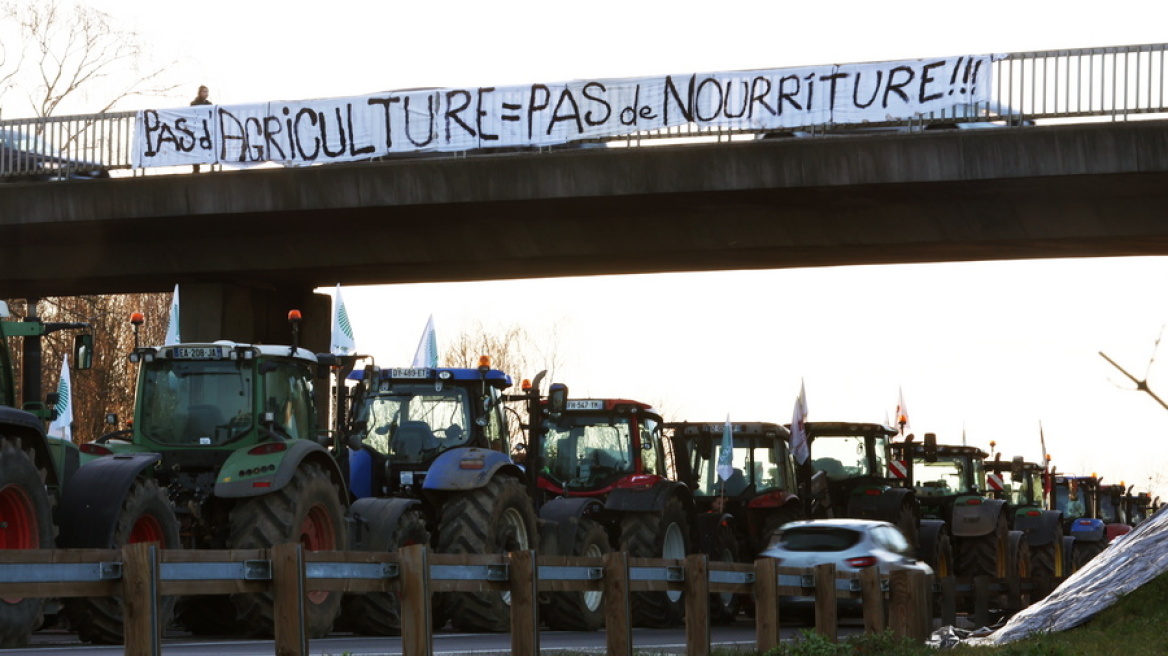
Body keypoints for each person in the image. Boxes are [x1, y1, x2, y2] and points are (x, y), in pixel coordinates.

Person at [190, 86, 211, 172]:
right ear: (200, 93)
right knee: (196, 147)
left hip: (206, 129)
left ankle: (211, 165)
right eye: (204, 92)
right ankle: (196, 168)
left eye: (207, 92)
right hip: (197, 129)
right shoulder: (194, 103)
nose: (206, 94)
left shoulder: (209, 104)